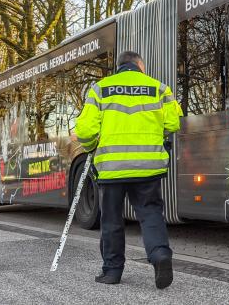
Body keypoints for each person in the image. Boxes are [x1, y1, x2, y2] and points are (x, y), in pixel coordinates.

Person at [75, 50, 183, 289]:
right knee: (150, 213)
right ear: (139, 66)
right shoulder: (159, 88)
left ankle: (112, 271)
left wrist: (92, 145)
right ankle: (160, 255)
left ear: (120, 67)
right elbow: (173, 123)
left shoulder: (101, 89)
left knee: (111, 219)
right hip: (148, 166)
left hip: (112, 168)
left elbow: (84, 131)